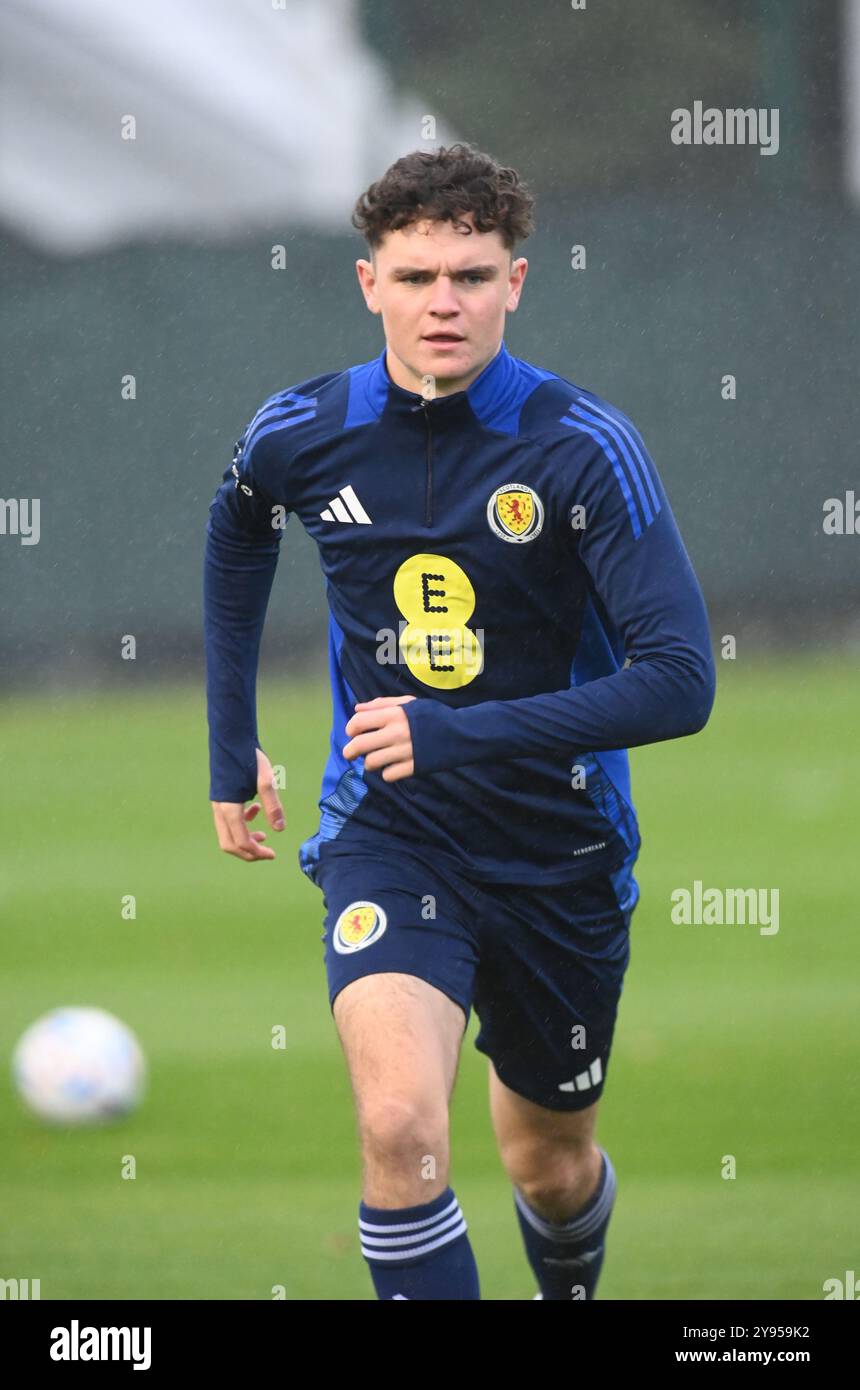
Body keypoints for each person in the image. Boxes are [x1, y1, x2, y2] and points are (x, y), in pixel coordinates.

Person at [203, 142, 715, 1301]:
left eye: (472, 277)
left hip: (557, 853)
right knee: (398, 1128)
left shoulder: (583, 448)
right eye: (418, 275)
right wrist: (231, 750)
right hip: (392, 830)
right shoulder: (302, 429)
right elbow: (237, 530)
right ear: (367, 282)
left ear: (515, 285)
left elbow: (680, 681)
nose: (445, 302)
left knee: (548, 1163)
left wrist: (456, 730)